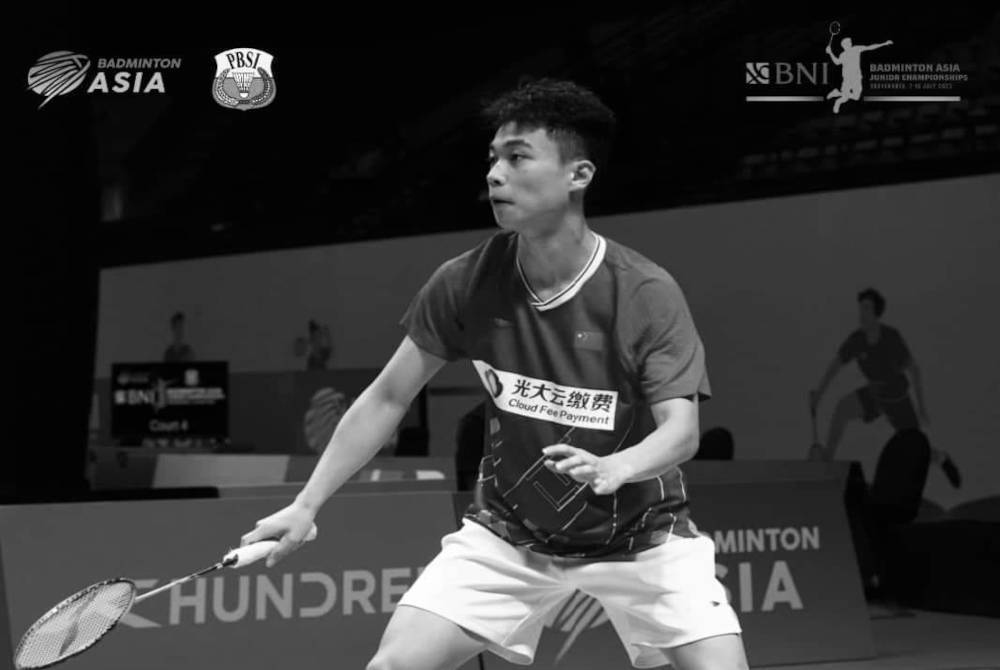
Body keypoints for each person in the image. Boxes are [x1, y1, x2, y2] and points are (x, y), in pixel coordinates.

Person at [240, 78, 747, 670]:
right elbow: (387, 397)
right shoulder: (466, 282)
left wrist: (619, 466)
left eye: (517, 157)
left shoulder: (643, 292)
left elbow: (681, 432)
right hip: (510, 534)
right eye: (492, 158)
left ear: (579, 175)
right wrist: (306, 506)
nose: (494, 175)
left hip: (643, 538)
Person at [809, 288, 961, 487]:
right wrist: (819, 394)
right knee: (842, 409)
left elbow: (914, 370)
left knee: (914, 448)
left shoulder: (891, 338)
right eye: (860, 309)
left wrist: (921, 406)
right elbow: (835, 366)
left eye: (866, 309)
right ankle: (827, 461)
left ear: (876, 313)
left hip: (897, 398)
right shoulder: (856, 340)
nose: (861, 314)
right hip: (875, 393)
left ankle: (941, 458)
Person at [825, 36, 893, 114]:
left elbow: (870, 47)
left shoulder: (856, 49)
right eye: (848, 42)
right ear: (844, 45)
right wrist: (830, 53)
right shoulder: (843, 55)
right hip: (847, 77)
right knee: (846, 97)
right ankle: (838, 100)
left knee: (856, 97)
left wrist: (883, 44)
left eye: (850, 42)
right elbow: (837, 62)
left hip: (856, 77)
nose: (850, 43)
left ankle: (837, 94)